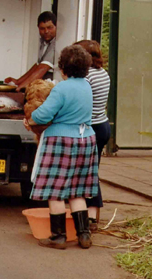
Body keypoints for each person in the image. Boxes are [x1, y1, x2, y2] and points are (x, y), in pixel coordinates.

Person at [24, 44, 99, 250]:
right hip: (86, 139)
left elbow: (44, 114)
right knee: (78, 191)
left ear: (63, 68)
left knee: (55, 190)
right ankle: (84, 235)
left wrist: (32, 118)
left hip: (61, 140)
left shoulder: (61, 88)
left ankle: (58, 237)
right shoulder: (87, 86)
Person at [75, 40, 111, 232]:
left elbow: (81, 102)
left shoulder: (87, 77)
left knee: (87, 172)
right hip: (103, 125)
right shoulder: (103, 73)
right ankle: (92, 214)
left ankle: (90, 216)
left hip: (92, 128)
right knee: (92, 171)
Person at [5, 11, 57, 91]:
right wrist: (18, 81)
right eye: (42, 28)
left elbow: (42, 68)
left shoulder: (55, 44)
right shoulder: (44, 42)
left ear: (56, 26)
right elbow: (37, 66)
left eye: (49, 27)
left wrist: (19, 88)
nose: (46, 31)